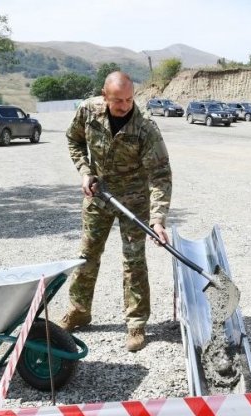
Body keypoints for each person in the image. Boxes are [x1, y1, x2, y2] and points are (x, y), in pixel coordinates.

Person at [59, 71, 173, 352]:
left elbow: (160, 175)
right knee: (87, 256)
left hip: (134, 200)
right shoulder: (87, 110)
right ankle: (79, 310)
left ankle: (136, 323)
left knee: (133, 262)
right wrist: (85, 172)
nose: (125, 106)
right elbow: (73, 140)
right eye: (118, 100)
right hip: (98, 195)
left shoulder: (145, 126)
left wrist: (158, 219)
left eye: (129, 99)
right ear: (104, 95)